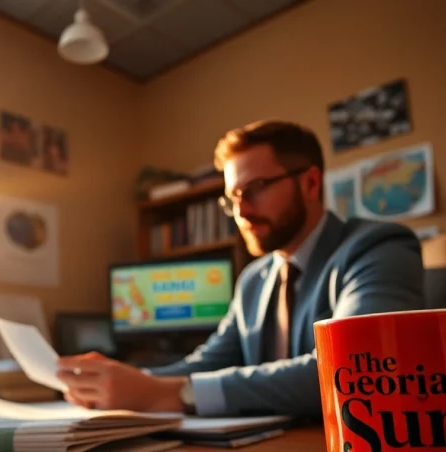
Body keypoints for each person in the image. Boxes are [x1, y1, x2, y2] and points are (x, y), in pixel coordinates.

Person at [56, 120, 425, 416]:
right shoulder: (254, 279)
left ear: (311, 183)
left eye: (256, 188)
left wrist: (176, 393)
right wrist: (122, 381)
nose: (241, 212)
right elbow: (210, 361)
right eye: (233, 198)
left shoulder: (377, 247)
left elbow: (355, 370)